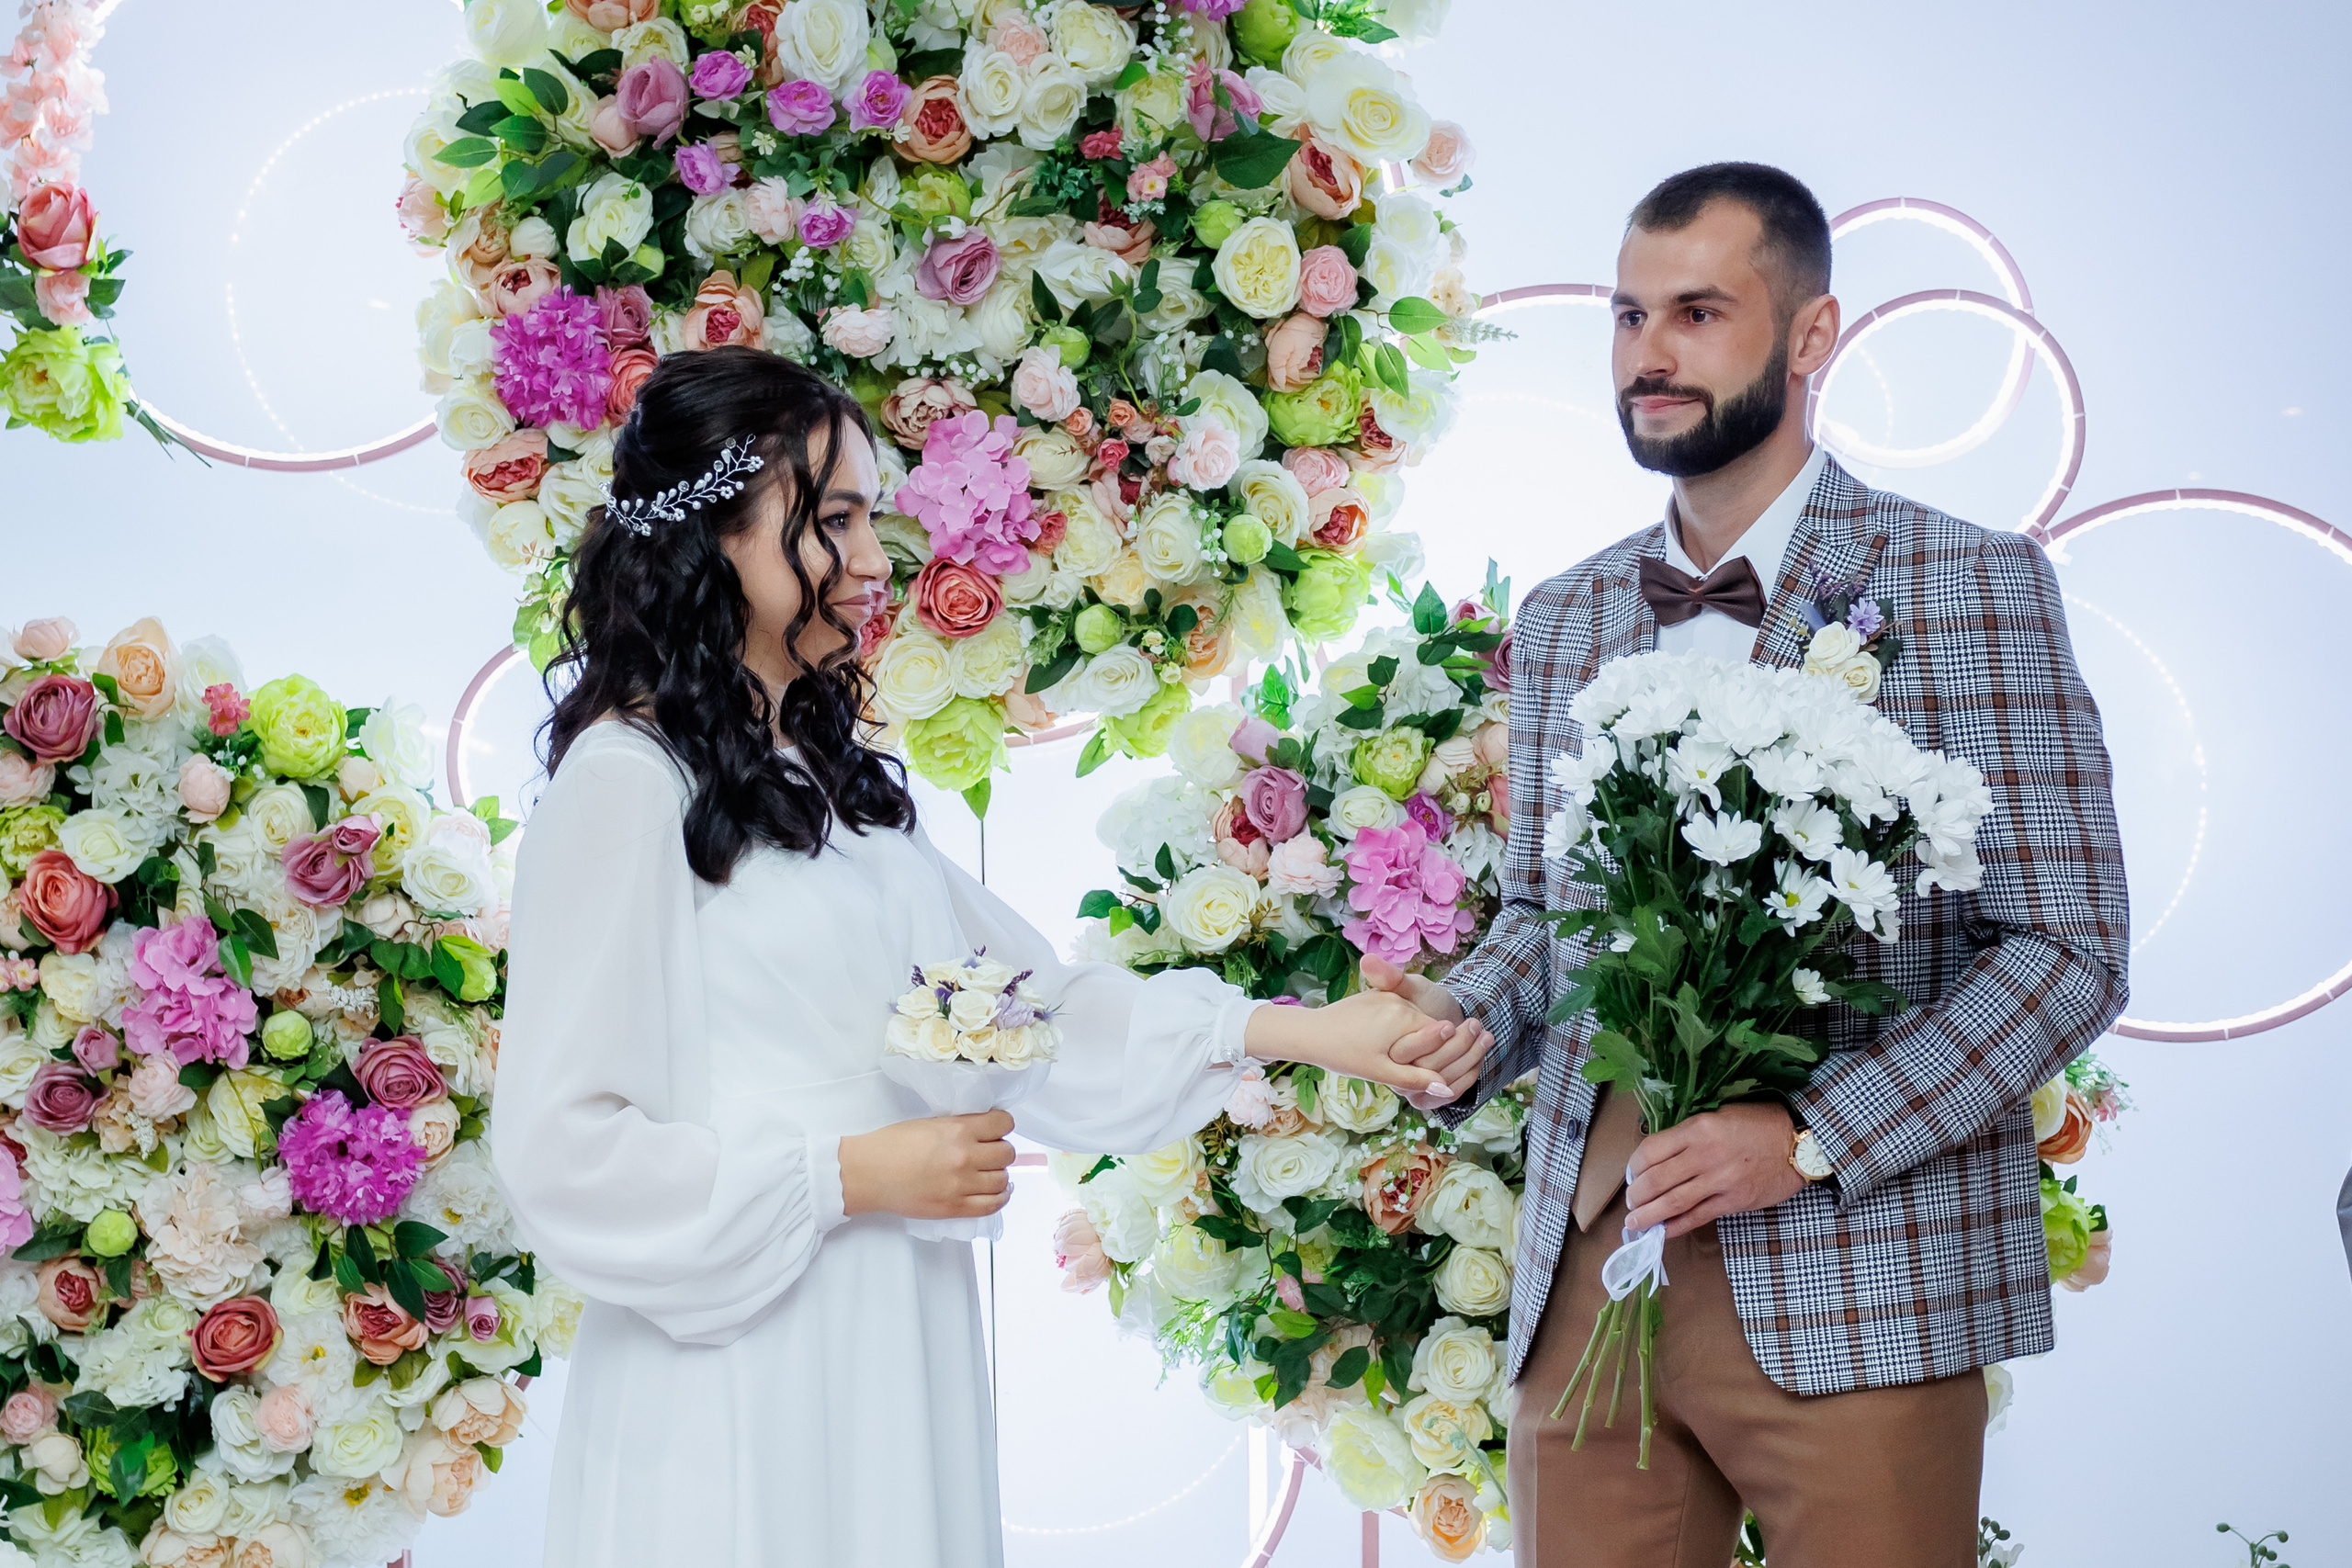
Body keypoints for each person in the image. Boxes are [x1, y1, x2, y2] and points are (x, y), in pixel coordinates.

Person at [487, 346, 1491, 1568]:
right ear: (719, 539)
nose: (872, 561)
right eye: (835, 519)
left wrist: (1295, 1031)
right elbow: (560, 1147)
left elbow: (1023, 1015)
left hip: (891, 1341)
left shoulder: (836, 792)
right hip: (737, 1371)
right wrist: (847, 1175)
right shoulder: (623, 785)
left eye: (871, 519)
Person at [1363, 164, 2130, 1567]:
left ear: (1815, 335)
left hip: (1864, 1284)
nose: (1648, 355)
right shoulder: (1573, 608)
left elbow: (2068, 950)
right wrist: (1459, 1015)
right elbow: (1549, 916)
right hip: (1589, 1276)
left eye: (1699, 313)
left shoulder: (1970, 585)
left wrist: (1814, 1138)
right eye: (1627, 315)